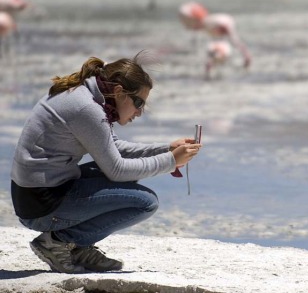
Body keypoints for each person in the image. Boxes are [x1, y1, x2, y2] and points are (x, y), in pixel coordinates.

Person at [10, 53, 201, 273]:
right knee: (146, 202)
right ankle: (59, 241)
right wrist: (170, 161)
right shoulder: (88, 109)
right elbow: (117, 169)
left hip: (36, 194)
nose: (139, 112)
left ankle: (76, 246)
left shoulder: (86, 97)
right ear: (119, 92)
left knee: (133, 173)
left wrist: (166, 149)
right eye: (139, 103)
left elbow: (115, 149)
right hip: (41, 205)